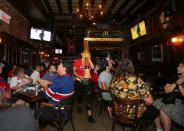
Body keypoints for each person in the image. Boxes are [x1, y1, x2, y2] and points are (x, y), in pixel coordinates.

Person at [110, 59, 158, 128]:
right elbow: (150, 101)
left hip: (118, 112)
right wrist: (147, 91)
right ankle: (139, 127)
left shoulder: (114, 80)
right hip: (133, 115)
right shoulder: (138, 82)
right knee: (155, 111)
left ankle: (129, 127)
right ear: (131, 68)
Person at [37, 61, 74, 127]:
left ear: (64, 69)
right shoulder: (70, 78)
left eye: (59, 65)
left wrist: (44, 86)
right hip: (67, 109)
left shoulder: (58, 81)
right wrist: (50, 83)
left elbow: (47, 96)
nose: (57, 67)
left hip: (57, 111)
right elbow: (61, 84)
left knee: (37, 109)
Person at [154, 62, 184, 131]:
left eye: (181, 66)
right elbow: (166, 90)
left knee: (164, 110)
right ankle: (159, 129)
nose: (178, 68)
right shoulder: (176, 76)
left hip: (181, 103)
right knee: (154, 104)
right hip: (170, 99)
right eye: (178, 65)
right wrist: (177, 82)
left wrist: (180, 85)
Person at [73, 52, 95, 123]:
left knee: (88, 98)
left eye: (87, 53)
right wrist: (80, 77)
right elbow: (74, 72)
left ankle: (90, 116)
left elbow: (92, 68)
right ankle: (79, 106)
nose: (86, 53)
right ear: (82, 54)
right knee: (80, 95)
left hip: (87, 82)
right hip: (79, 81)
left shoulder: (87, 61)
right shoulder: (77, 61)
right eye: (84, 52)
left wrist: (89, 59)